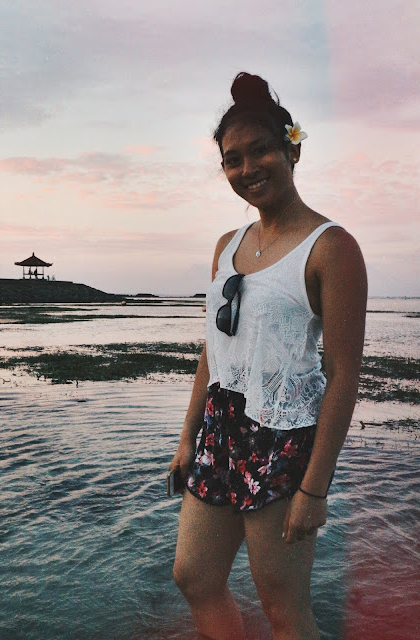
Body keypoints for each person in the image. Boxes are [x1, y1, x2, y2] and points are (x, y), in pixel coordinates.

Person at [169, 72, 367, 640]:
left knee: (283, 608)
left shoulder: (331, 247)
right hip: (220, 430)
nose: (247, 168)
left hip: (282, 439)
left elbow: (343, 374)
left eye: (261, 151)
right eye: (232, 160)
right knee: (195, 577)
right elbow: (213, 352)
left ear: (292, 150)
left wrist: (314, 489)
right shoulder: (226, 246)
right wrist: (187, 439)